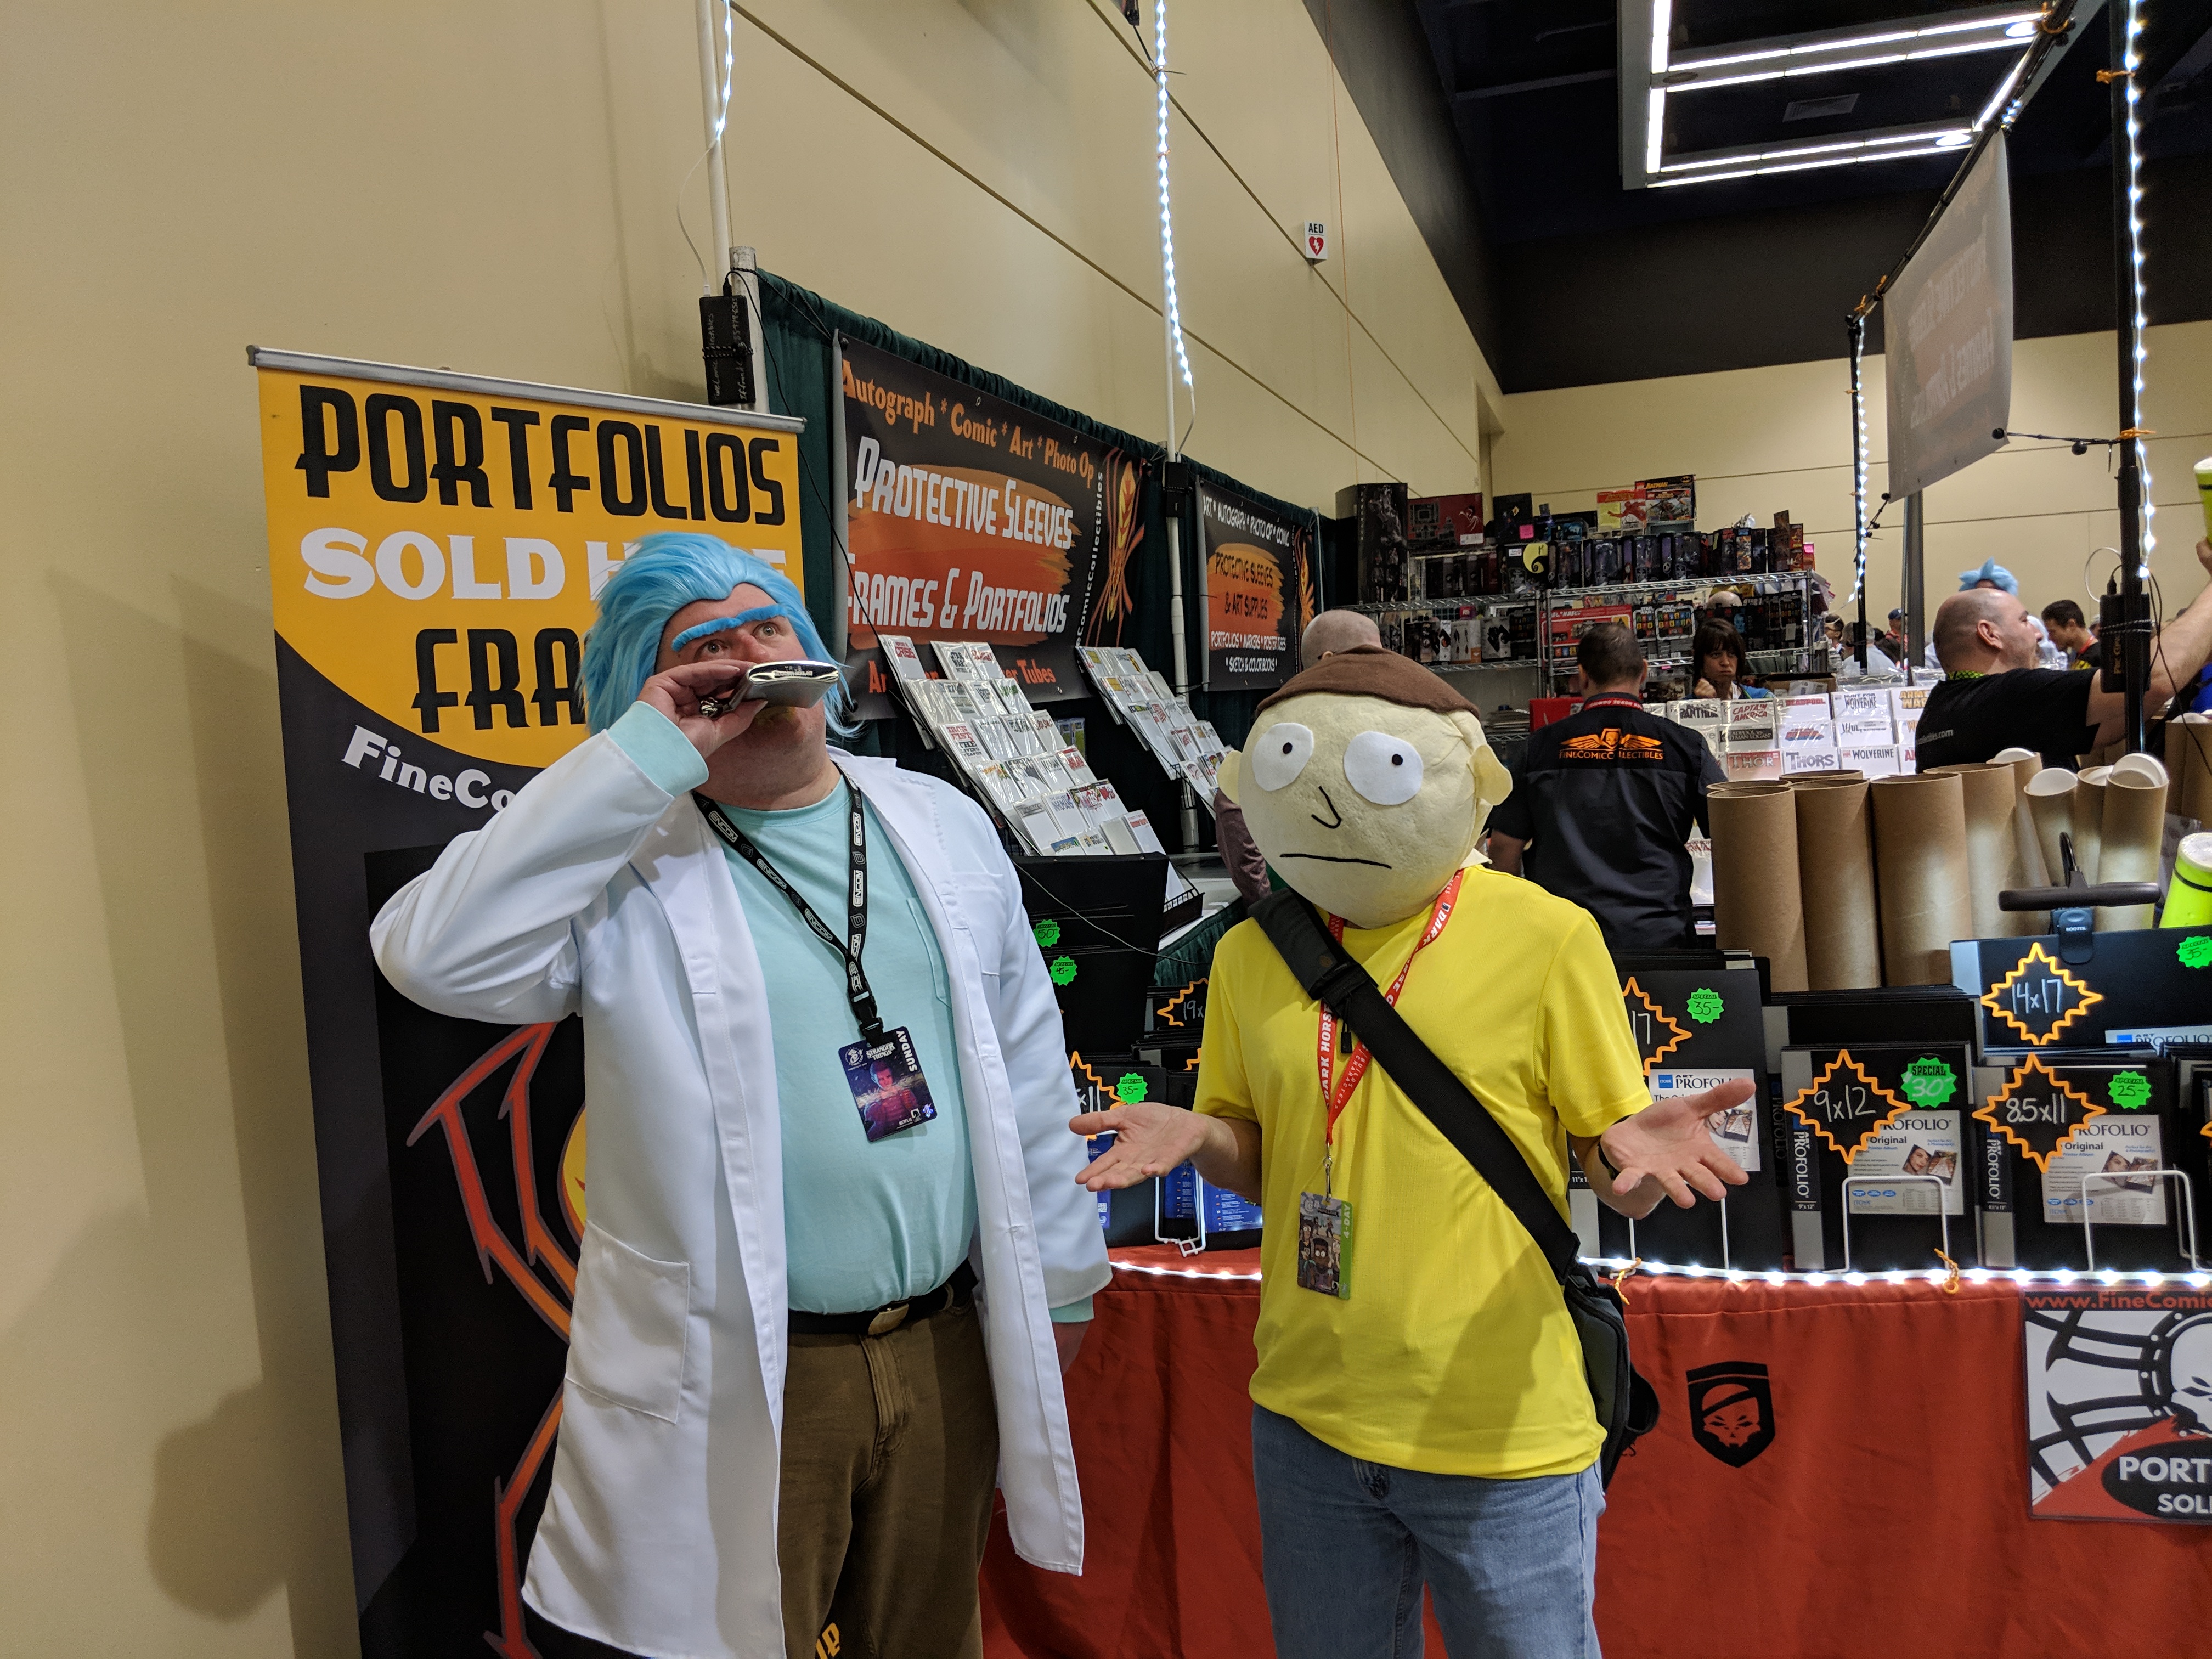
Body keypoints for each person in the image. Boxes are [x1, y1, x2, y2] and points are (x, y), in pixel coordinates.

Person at [373, 532, 1109, 1659]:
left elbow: (1025, 1063)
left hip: (943, 1347)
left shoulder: (937, 822)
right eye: (702, 647)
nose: (748, 658)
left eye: (768, 628)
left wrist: (1060, 1278)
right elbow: (432, 956)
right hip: (748, 1374)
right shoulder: (623, 862)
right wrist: (638, 756)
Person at [1072, 646, 1749, 1659]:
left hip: (1499, 1423)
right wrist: (1201, 1135)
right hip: (1309, 1417)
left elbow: (1613, 1167)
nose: (1328, 807)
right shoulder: (1250, 954)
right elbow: (1256, 1157)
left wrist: (1635, 1165)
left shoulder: (1547, 935)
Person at [1488, 622, 1724, 951]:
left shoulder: (1539, 748)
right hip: (1660, 939)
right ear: (1643, 673)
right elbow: (1734, 836)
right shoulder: (1686, 746)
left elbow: (1502, 847)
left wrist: (1519, 924)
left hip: (1564, 942)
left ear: (1582, 676)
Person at [1916, 538, 2212, 772]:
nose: (2038, 636)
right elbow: (2152, 678)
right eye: (2024, 621)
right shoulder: (2010, 695)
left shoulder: (1937, 712)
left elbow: (2117, 717)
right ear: (1990, 634)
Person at [1214, 608, 1384, 906]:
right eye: (1369, 657)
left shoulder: (1373, 717)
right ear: (1329, 661)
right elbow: (1233, 804)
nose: (1383, 668)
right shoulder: (1285, 724)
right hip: (1302, 907)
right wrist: (1269, 903)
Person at [1689, 617, 1767, 699]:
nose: (1726, 663)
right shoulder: (1684, 705)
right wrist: (1702, 705)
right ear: (1700, 659)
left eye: (1732, 654)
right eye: (1716, 655)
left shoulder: (1763, 699)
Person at [2041, 599, 2104, 673]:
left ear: (2071, 625)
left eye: (2052, 632)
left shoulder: (2102, 656)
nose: (2049, 638)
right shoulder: (2078, 656)